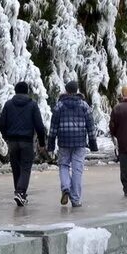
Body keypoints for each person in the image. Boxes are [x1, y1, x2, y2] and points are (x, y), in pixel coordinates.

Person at [48, 80, 97, 208]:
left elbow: (53, 127)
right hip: (79, 142)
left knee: (63, 165)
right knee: (77, 169)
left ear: (66, 90)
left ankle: (65, 188)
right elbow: (91, 126)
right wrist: (93, 143)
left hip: (64, 141)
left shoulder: (59, 106)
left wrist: (51, 144)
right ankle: (75, 199)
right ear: (77, 90)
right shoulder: (84, 106)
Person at [0, 81, 47, 207]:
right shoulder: (32, 105)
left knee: (16, 168)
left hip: (12, 141)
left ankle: (19, 193)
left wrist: (6, 136)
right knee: (25, 168)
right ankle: (20, 192)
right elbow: (39, 126)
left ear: (15, 91)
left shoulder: (8, 105)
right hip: (26, 141)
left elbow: (1, 123)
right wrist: (42, 143)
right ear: (27, 91)